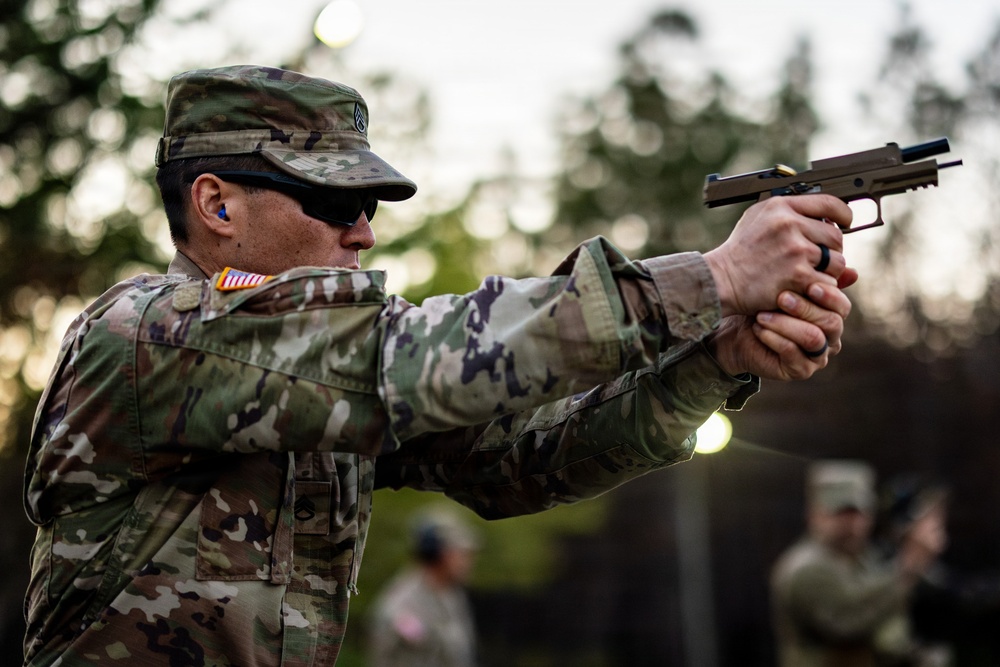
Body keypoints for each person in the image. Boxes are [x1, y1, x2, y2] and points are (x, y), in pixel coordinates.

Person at [23, 64, 856, 666]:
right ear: (216, 204)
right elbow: (421, 358)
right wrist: (713, 278)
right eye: (338, 200)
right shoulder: (146, 336)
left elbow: (525, 459)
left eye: (371, 207)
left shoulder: (310, 379)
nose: (365, 231)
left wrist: (716, 359)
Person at [770, 460, 948, 667]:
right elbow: (848, 622)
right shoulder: (805, 567)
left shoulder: (864, 558)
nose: (851, 523)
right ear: (814, 514)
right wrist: (909, 565)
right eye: (840, 512)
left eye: (858, 512)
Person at [367, 508, 480, 667]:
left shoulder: (452, 595)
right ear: (437, 552)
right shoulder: (400, 605)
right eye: (460, 553)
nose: (467, 562)